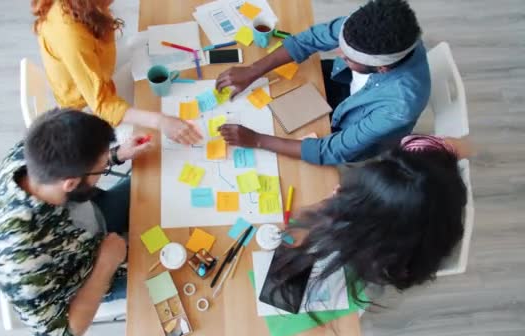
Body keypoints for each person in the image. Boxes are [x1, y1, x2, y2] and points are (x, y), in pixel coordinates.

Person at [0, 108, 148, 336]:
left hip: (95, 218)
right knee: (179, 271)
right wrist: (105, 265)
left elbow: (74, 159)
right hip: (95, 274)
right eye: (101, 169)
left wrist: (115, 155)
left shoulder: (27, 152)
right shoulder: (20, 256)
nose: (104, 171)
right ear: (70, 184)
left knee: (155, 180)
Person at [216, 0, 430, 165]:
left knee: (284, 148)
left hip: (350, 129)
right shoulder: (368, 28)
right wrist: (254, 70)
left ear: (382, 69)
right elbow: (307, 40)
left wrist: (257, 141)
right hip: (342, 83)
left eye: (346, 57)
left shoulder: (400, 105)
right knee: (278, 110)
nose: (337, 52)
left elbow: (334, 150)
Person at [267, 135, 467, 308]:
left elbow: (385, 271)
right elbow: (462, 145)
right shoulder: (420, 151)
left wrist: (339, 213)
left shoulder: (396, 257)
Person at [31, 0, 201, 145]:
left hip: (100, 70)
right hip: (87, 106)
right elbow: (102, 104)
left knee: (146, 45)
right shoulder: (70, 35)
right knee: (151, 133)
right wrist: (161, 120)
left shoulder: (82, 6)